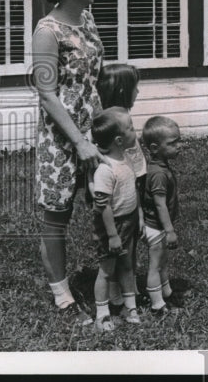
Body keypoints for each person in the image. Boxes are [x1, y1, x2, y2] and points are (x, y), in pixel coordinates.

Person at [32, 0, 104, 325]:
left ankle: (112, 285)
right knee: (56, 218)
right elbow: (47, 93)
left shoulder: (87, 20)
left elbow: (95, 78)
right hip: (62, 139)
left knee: (108, 206)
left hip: (95, 131)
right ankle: (62, 296)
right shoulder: (48, 31)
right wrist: (78, 141)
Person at [96, 63, 145, 316]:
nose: (139, 92)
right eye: (136, 87)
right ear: (124, 90)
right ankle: (112, 299)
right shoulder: (114, 124)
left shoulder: (118, 121)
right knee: (116, 253)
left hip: (129, 195)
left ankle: (124, 296)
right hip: (116, 202)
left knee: (127, 251)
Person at [90, 108, 142, 331]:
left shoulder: (128, 158)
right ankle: (102, 314)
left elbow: (133, 190)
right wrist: (112, 235)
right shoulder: (105, 170)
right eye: (131, 127)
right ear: (119, 140)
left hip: (129, 220)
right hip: (111, 225)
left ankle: (129, 306)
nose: (135, 130)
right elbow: (102, 206)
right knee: (107, 269)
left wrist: (138, 215)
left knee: (128, 264)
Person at [141, 116, 183, 317]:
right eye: (173, 143)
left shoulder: (161, 166)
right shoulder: (158, 174)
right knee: (155, 265)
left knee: (163, 261)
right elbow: (159, 204)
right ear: (155, 148)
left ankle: (166, 292)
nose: (179, 146)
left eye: (179, 140)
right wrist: (169, 230)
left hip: (158, 226)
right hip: (155, 226)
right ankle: (157, 305)